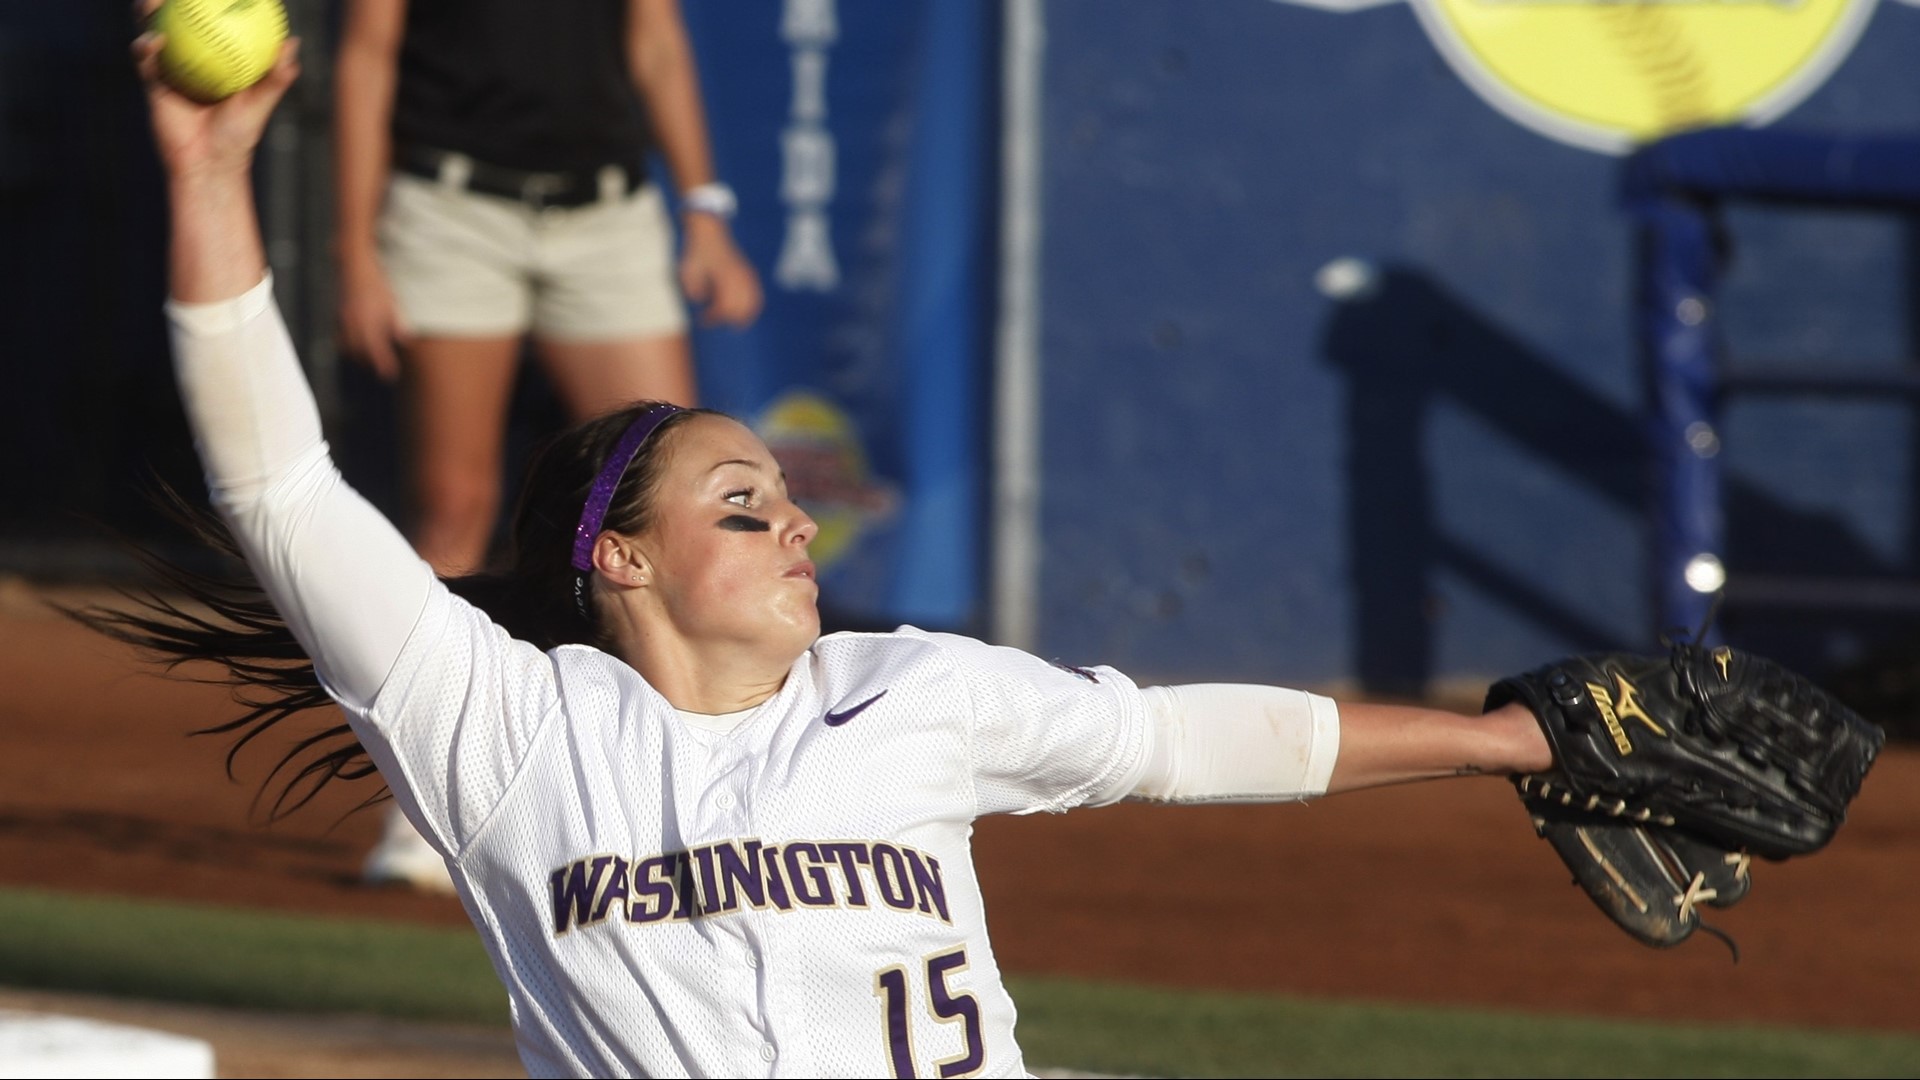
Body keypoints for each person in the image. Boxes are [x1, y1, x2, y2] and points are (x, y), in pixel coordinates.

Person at [128, 36, 1557, 1079]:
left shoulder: (908, 689)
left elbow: (1176, 738)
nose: (798, 523)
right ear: (620, 559)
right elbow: (278, 487)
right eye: (744, 503)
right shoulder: (505, 732)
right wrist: (210, 173)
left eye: (788, 502)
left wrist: (1501, 743)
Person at [332, 0, 763, 891]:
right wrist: (356, 253)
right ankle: (425, 812)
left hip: (606, 215)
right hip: (451, 211)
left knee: (672, 507)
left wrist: (705, 212)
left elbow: (655, 40)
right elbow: (368, 56)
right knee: (455, 507)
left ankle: (707, 801)